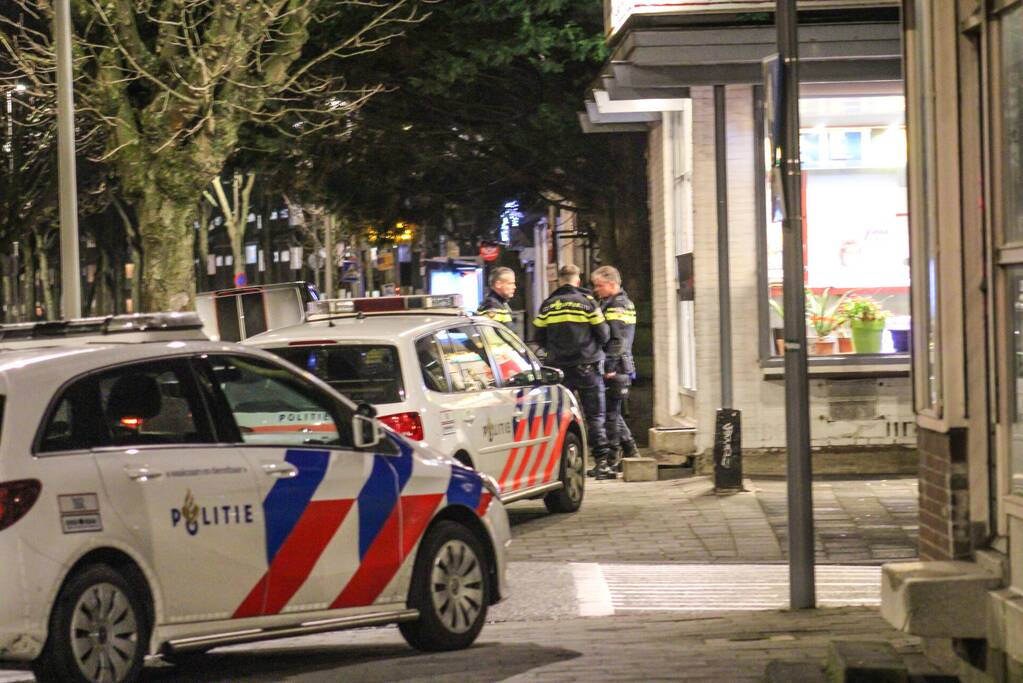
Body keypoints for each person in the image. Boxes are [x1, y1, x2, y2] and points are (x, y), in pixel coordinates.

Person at [534, 264, 615, 479]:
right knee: (595, 416)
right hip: (587, 367)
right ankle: (602, 463)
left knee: (561, 417)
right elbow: (604, 334)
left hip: (559, 370)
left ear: (559, 281)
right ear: (577, 280)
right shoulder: (588, 303)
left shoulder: (547, 305)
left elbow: (538, 337)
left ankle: (561, 464)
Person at [591, 266, 638, 472]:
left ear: (612, 284)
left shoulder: (616, 306)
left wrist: (609, 366)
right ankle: (630, 451)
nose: (596, 289)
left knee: (610, 414)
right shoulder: (618, 303)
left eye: (599, 285)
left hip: (616, 366)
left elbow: (617, 341)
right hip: (621, 365)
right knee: (614, 412)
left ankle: (613, 459)